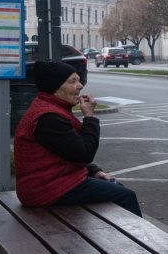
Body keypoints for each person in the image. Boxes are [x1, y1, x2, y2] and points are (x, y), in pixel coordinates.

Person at [14, 59, 141, 215]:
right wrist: (90, 117)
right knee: (125, 196)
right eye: (72, 81)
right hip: (45, 189)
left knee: (116, 187)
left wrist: (94, 171)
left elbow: (65, 151)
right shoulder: (49, 117)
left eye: (79, 80)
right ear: (54, 87)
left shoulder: (50, 108)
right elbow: (84, 153)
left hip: (51, 183)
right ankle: (134, 239)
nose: (80, 86)